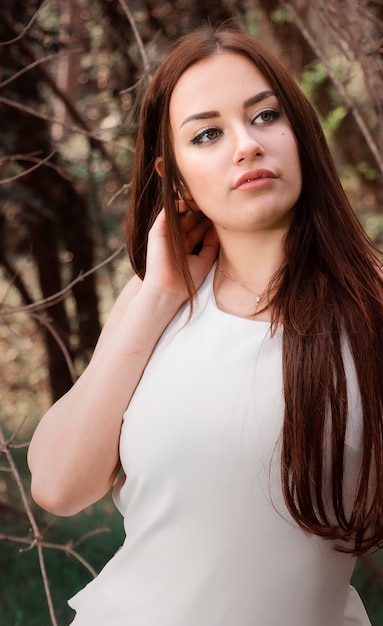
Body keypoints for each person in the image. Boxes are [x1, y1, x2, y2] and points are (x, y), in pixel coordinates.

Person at [28, 26, 383, 626]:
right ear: (177, 176)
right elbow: (60, 486)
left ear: (301, 134)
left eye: (266, 115)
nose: (246, 145)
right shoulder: (156, 301)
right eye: (208, 134)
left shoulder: (369, 309)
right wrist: (158, 296)